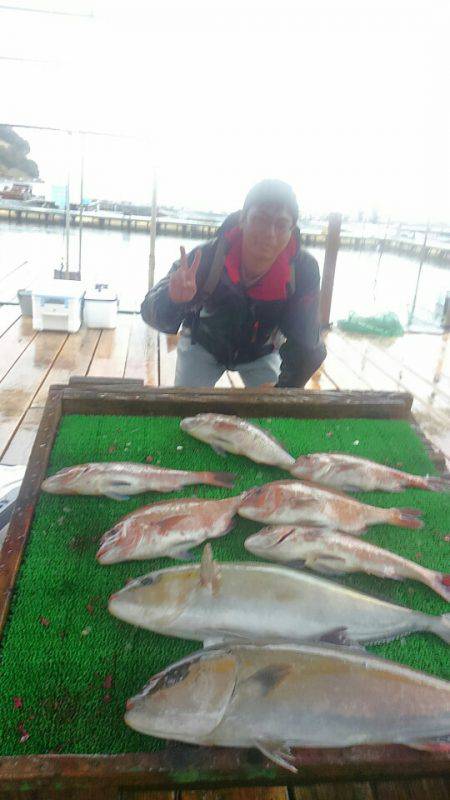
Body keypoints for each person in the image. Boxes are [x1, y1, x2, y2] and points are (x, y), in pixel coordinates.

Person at [141, 179, 326, 388]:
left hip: (262, 352)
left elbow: (308, 346)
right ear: (242, 220)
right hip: (203, 344)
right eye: (260, 220)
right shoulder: (206, 258)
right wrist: (172, 299)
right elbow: (149, 311)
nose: (270, 233)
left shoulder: (302, 270)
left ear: (291, 230)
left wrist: (282, 391)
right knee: (185, 410)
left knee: (273, 416)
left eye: (281, 225)